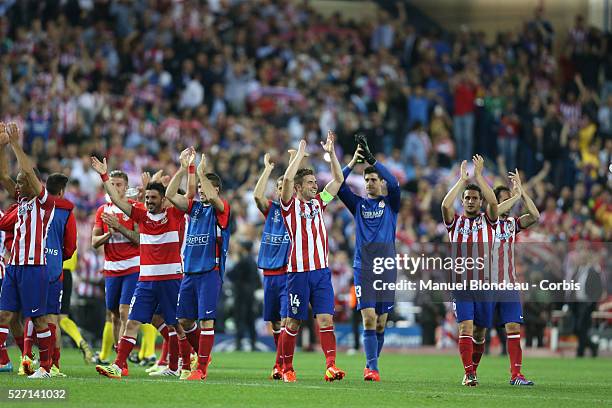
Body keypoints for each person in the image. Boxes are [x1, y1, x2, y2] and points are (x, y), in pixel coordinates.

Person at [91, 156, 185, 379]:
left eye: (154, 198)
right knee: (131, 320)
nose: (150, 201)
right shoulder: (141, 215)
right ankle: (119, 365)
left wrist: (183, 168)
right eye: (148, 198)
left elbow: (176, 195)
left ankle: (186, 362)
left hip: (170, 279)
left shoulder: (174, 215)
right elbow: (116, 199)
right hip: (145, 280)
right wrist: (104, 175)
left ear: (164, 200)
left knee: (177, 325)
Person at [278, 131, 345, 383]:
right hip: (298, 273)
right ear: (298, 188)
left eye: (315, 182)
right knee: (293, 322)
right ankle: (286, 368)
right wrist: (299, 152)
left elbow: (338, 179)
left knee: (326, 319)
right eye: (309, 183)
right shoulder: (289, 206)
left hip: (321, 272)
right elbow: (285, 180)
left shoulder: (320, 202)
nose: (315, 185)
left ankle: (330, 366)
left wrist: (331, 153)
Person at [337, 137, 400, 381]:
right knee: (369, 318)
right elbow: (339, 185)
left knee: (381, 323)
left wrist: (373, 160)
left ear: (380, 182)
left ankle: (371, 362)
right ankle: (371, 368)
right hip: (363, 268)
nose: (370, 183)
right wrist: (353, 161)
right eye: (367, 180)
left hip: (386, 269)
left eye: (374, 179)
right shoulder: (359, 206)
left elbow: (395, 183)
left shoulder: (390, 204)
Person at [165, 147, 231, 381]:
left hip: (210, 271)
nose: (201, 192)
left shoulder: (222, 209)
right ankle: (204, 356)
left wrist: (201, 172)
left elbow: (213, 198)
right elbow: (171, 194)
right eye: (200, 189)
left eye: (204, 188)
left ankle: (201, 368)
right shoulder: (193, 208)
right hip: (190, 271)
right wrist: (184, 169)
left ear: (216, 190)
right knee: (183, 320)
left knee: (206, 320)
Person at [0, 122, 57, 379]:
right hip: (14, 267)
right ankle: (8, 358)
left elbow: (27, 171)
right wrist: (1, 146)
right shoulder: (22, 201)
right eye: (19, 184)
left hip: (35, 266)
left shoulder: (45, 202)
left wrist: (14, 143)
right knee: (4, 314)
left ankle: (45, 368)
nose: (18, 186)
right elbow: (3, 176)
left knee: (40, 319)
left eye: (23, 182)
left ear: (34, 183)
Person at [441, 155, 498, 387]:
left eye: (475, 198)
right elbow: (445, 205)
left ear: (480, 202)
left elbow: (494, 203)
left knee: (480, 333)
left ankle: (472, 368)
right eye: (467, 198)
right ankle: (469, 373)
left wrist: (479, 177)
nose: (471, 201)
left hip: (484, 284)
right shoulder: (454, 223)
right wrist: (462, 181)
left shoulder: (489, 221)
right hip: (462, 284)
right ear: (462, 201)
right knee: (465, 326)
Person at [490, 170, 539, 385]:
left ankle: (516, 375)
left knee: (513, 328)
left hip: (508, 284)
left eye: (507, 199)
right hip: (485, 285)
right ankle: (471, 371)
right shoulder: (485, 222)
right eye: (503, 199)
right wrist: (514, 197)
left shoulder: (510, 224)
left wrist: (522, 192)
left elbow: (535, 216)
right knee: (479, 332)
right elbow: (495, 210)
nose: (507, 203)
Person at [91, 169, 140, 371]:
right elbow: (94, 242)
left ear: (126, 187)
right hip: (111, 269)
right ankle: (119, 354)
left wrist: (119, 227)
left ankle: (121, 361)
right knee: (112, 314)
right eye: (112, 183)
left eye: (119, 184)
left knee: (124, 311)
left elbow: (139, 239)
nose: (115, 187)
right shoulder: (102, 211)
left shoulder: (135, 208)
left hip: (132, 266)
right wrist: (107, 235)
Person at [253, 151, 295, 379]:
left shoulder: (296, 212)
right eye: (278, 188)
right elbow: (257, 195)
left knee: (287, 320)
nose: (281, 191)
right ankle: (281, 363)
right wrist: (267, 169)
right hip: (269, 274)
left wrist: (294, 163)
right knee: (275, 322)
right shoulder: (272, 210)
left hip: (288, 273)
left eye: (284, 187)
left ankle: (282, 365)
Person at [43, 173, 78, 377]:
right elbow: (71, 246)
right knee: (52, 317)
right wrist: (58, 257)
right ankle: (53, 365)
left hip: (32, 266)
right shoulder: (66, 211)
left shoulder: (36, 205)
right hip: (56, 271)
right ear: (62, 191)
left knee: (31, 315)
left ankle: (28, 359)